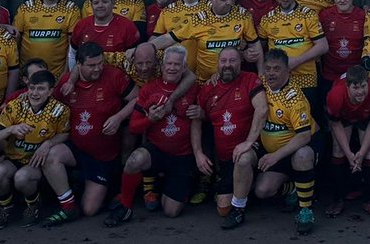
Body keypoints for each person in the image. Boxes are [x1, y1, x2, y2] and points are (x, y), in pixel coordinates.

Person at [41, 43, 136, 226]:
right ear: (79, 65)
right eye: (92, 65)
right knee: (51, 155)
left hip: (103, 156)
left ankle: (92, 186)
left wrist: (119, 117)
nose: (98, 68)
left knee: (90, 210)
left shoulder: (114, 75)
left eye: (100, 63)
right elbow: (50, 106)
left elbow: (137, 98)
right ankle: (67, 206)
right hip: (76, 148)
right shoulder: (68, 82)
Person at [104, 46, 199, 225]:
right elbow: (133, 127)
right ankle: (125, 207)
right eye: (168, 64)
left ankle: (177, 187)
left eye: (176, 65)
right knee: (134, 160)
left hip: (182, 156)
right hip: (157, 151)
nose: (172, 68)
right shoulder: (148, 89)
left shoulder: (194, 88)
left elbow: (207, 113)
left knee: (171, 212)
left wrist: (201, 113)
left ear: (184, 67)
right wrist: (150, 119)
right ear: (161, 67)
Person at [0, 69, 70, 229]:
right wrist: (10, 130)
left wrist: (48, 143)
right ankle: (6, 207)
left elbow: (64, 135)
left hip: (36, 163)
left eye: (41, 89)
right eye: (32, 88)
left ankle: (33, 204)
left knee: (22, 177)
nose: (35, 93)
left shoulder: (60, 110)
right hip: (14, 158)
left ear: (51, 91)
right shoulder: (14, 106)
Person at [191, 47, 266, 229]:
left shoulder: (250, 79)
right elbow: (196, 119)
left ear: (240, 62)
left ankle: (239, 210)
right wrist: (198, 154)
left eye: (232, 61)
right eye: (223, 61)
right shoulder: (209, 88)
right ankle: (248, 189)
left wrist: (249, 142)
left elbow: (262, 109)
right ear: (217, 63)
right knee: (222, 208)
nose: (227, 65)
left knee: (243, 159)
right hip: (225, 159)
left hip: (249, 151)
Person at [253, 48, 318, 235]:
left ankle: (305, 210)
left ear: (287, 70)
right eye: (268, 68)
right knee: (262, 191)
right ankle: (292, 188)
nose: (271, 73)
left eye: (277, 69)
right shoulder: (261, 84)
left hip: (296, 148)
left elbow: (304, 136)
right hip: (276, 153)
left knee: (303, 154)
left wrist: (275, 156)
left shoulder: (295, 98)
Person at [150, 0, 260, 80]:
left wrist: (261, 73)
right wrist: (142, 48)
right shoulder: (199, 20)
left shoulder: (243, 16)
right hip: (204, 81)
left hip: (232, 79)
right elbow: (169, 38)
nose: (229, 2)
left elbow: (255, 45)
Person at [324, 64, 370, 217]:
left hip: (366, 116)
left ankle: (369, 200)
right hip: (343, 116)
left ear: (368, 83)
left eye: (363, 86)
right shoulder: (335, 95)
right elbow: (335, 124)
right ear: (347, 86)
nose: (360, 92)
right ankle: (338, 199)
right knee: (338, 150)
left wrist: (361, 153)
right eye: (355, 88)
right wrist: (350, 155)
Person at [258, 0, 327, 107]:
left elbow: (323, 46)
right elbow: (259, 49)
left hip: (305, 79)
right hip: (277, 79)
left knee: (308, 119)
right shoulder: (267, 19)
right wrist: (261, 72)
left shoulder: (308, 15)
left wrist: (298, 60)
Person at [13, 0, 81, 78]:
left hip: (56, 75)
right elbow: (15, 41)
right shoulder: (26, 8)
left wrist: (66, 72)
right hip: (26, 75)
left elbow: (72, 46)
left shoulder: (71, 9)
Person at [318, 0, 367, 97]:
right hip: (329, 76)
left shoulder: (363, 15)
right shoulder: (324, 15)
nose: (342, 0)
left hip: (355, 77)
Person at [71, 0, 140, 56]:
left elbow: (135, 56)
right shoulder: (81, 25)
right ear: (92, 5)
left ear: (113, 3)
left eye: (105, 2)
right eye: (96, 3)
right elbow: (73, 53)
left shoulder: (127, 26)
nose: (100, 5)